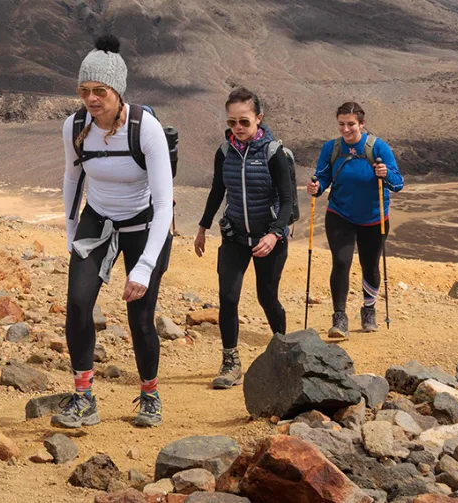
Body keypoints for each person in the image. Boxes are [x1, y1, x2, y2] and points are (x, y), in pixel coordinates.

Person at [56, 34, 174, 429]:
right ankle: (84, 396)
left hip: (145, 224)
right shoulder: (75, 126)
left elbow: (162, 204)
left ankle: (150, 395)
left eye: (100, 91)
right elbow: (73, 180)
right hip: (98, 220)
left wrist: (143, 267)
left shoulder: (146, 129)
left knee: (140, 317)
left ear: (117, 91)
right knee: (77, 303)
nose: (91, 99)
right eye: (84, 90)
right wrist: (72, 231)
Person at [194, 87, 295, 389]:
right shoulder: (224, 151)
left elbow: (288, 199)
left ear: (258, 119)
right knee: (228, 297)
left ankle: (282, 351)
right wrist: (202, 227)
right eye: (232, 123)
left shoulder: (273, 152)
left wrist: (275, 234)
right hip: (235, 237)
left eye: (244, 122)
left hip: (268, 240)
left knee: (268, 298)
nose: (237, 128)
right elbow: (217, 190)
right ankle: (230, 362)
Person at [307, 102, 403, 341]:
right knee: (341, 262)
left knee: (370, 265)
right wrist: (316, 186)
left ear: (362, 123)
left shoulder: (378, 147)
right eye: (341, 124)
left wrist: (385, 174)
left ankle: (369, 310)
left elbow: (398, 182)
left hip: (374, 217)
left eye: (351, 124)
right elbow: (323, 176)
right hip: (340, 215)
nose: (346, 129)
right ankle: (339, 317)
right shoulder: (331, 148)